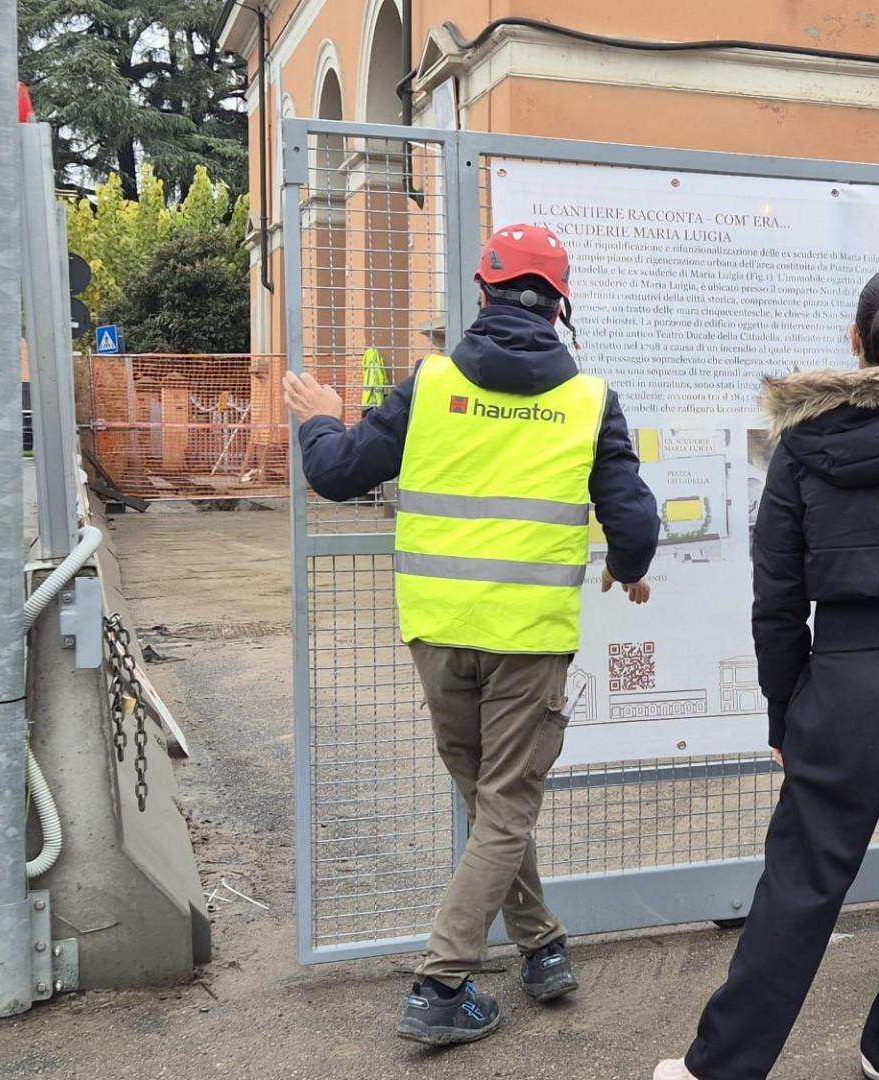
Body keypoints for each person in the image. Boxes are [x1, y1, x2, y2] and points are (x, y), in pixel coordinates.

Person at [282, 223, 659, 1047]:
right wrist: (628, 568)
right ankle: (440, 984)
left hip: (438, 633)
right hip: (528, 639)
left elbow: (337, 474)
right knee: (507, 806)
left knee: (491, 803)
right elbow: (634, 518)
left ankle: (541, 946)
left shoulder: (430, 382)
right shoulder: (589, 398)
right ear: (560, 304)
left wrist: (323, 419)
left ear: (484, 293)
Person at [656, 269, 879, 1080]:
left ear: (855, 342)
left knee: (802, 882)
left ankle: (723, 1066)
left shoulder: (799, 451)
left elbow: (777, 599)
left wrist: (785, 712)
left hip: (847, 679)